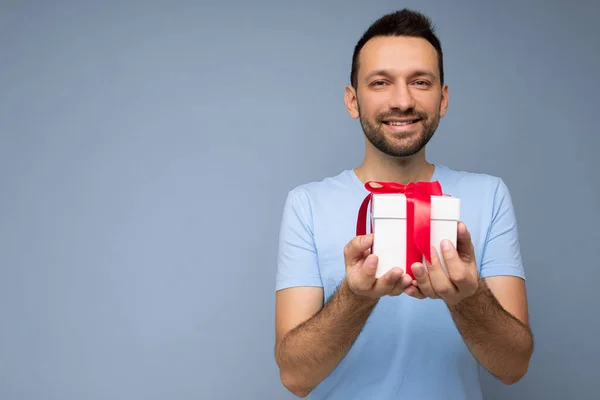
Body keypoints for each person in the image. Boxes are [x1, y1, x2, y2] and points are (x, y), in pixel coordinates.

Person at [273, 8, 534, 400]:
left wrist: (468, 297)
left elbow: (514, 367)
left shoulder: (488, 195)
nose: (402, 100)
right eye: (380, 82)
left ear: (443, 99)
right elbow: (295, 377)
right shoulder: (307, 204)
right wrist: (356, 298)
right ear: (352, 100)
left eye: (421, 82)